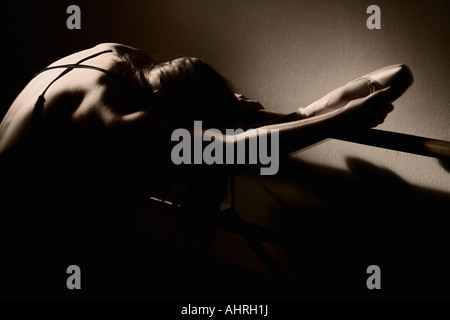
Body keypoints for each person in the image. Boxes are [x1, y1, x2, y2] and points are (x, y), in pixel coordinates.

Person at [0, 43, 413, 298]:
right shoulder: (124, 123)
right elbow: (227, 153)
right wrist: (336, 121)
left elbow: (396, 74)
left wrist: (236, 110)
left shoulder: (116, 55)